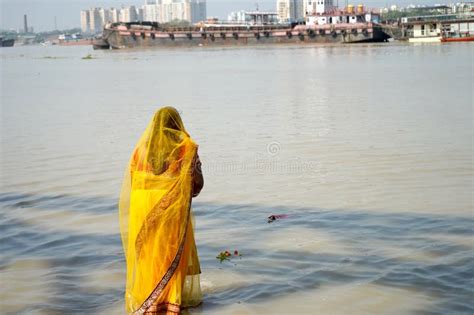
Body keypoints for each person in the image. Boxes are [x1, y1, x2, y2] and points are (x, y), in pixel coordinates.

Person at [119, 107, 203, 314]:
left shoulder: (140, 151)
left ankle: (149, 302)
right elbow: (198, 184)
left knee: (150, 255)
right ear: (177, 124)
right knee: (170, 252)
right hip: (172, 213)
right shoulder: (187, 148)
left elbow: (133, 182)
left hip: (144, 211)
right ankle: (171, 302)